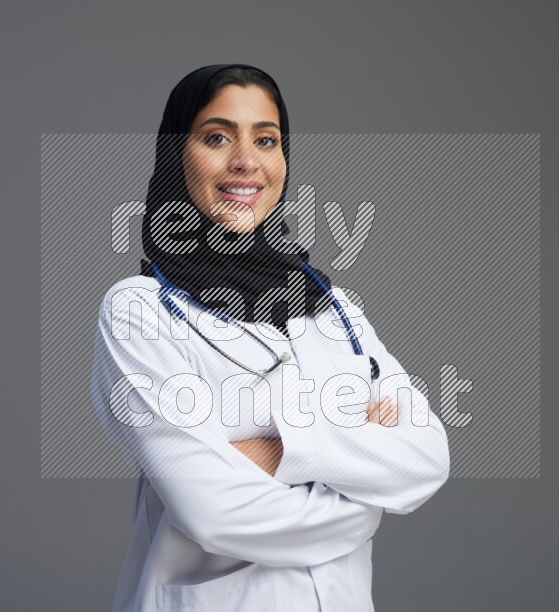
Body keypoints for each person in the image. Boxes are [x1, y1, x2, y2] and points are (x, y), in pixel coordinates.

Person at [89, 63, 450, 612]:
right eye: (216, 137)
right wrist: (360, 489)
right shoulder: (138, 311)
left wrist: (273, 449)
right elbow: (209, 508)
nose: (246, 162)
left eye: (266, 139)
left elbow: (426, 457)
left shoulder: (334, 309)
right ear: (174, 155)